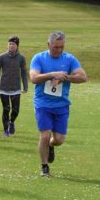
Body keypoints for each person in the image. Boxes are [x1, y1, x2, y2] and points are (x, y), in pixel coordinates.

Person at [30, 31, 87, 177]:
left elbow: (83, 77)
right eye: (56, 47)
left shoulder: (69, 59)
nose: (59, 50)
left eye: (61, 47)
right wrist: (52, 74)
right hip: (43, 103)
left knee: (59, 140)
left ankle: (51, 145)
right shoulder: (39, 58)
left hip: (61, 105)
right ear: (48, 45)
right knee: (45, 134)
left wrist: (65, 77)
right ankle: (44, 167)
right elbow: (34, 78)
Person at [0, 36, 28, 137]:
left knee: (16, 110)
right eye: (10, 44)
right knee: (6, 109)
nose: (11, 46)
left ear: (17, 46)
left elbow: (24, 73)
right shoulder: (2, 57)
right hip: (3, 88)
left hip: (16, 88)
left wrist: (25, 86)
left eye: (13, 44)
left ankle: (11, 122)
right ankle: (5, 130)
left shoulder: (22, 58)